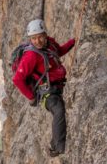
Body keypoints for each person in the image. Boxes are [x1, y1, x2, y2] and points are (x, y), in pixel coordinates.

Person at [12, 19, 75, 156]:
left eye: (40, 37)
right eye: (33, 38)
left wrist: (73, 43)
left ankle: (54, 144)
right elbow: (17, 79)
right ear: (30, 39)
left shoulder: (50, 44)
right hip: (47, 92)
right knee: (58, 110)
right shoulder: (31, 56)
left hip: (58, 86)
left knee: (60, 109)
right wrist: (32, 97)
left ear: (45, 34)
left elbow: (59, 51)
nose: (37, 41)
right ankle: (57, 147)